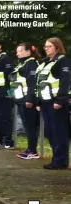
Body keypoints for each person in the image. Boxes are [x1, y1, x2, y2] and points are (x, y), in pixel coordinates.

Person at [36, 37, 70, 169]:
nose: (46, 49)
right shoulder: (45, 63)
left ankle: (61, 161)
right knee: (50, 132)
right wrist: (38, 101)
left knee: (59, 132)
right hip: (45, 102)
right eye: (45, 46)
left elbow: (65, 82)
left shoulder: (63, 62)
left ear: (57, 47)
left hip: (56, 103)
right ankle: (56, 158)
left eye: (49, 46)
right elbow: (40, 83)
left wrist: (60, 100)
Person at [9, 43, 40, 160]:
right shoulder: (23, 64)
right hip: (21, 99)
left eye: (20, 51)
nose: (17, 53)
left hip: (27, 100)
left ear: (28, 52)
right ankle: (30, 149)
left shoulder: (31, 64)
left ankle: (32, 150)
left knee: (30, 126)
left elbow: (32, 83)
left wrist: (30, 99)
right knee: (27, 126)